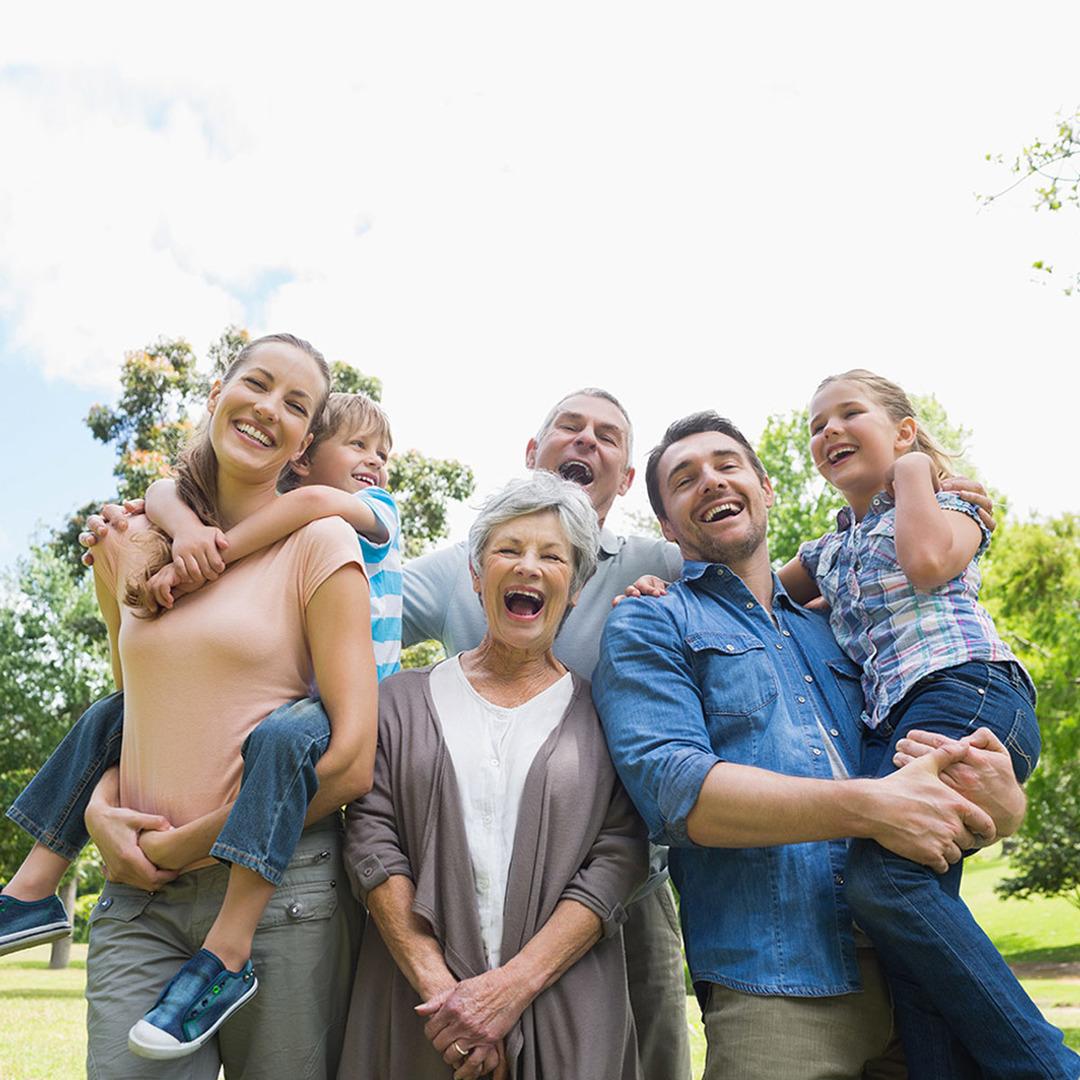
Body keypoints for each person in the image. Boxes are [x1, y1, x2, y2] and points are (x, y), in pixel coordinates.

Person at [593, 410, 1033, 1080]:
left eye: (727, 464)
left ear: (766, 488)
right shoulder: (652, 621)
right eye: (684, 479)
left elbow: (922, 777)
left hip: (918, 978)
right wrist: (870, 806)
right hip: (776, 989)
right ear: (668, 526)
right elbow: (678, 791)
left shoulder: (851, 634)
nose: (711, 481)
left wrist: (1004, 812)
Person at [0, 393, 400, 994]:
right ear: (301, 458)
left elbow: (317, 503)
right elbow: (163, 492)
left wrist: (206, 557)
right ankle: (32, 885)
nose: (376, 461)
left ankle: (228, 947)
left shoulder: (360, 513)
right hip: (287, 696)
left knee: (281, 740)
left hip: (335, 705)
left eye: (383, 452)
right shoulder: (268, 521)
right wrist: (183, 529)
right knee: (110, 715)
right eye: (359, 446)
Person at [66, 333, 373, 1077]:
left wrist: (187, 843)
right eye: (257, 384)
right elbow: (134, 714)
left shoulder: (321, 543)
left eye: (295, 405)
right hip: (140, 896)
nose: (269, 409)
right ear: (216, 394)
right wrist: (99, 812)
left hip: (280, 896)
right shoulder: (137, 544)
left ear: (303, 445)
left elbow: (351, 763)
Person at [771, 369, 1078, 1080]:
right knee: (907, 924)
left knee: (883, 883)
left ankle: (1051, 1068)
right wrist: (660, 584)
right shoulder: (826, 552)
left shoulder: (952, 507)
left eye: (850, 414)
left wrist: (912, 472)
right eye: (816, 424)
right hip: (897, 720)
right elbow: (754, 602)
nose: (827, 432)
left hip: (967, 690)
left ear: (905, 431)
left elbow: (928, 561)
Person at [403, 389, 691, 1080]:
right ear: (533, 454)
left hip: (624, 871)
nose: (587, 439)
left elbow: (757, 583)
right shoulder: (461, 566)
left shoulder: (662, 564)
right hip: (476, 870)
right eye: (570, 426)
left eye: (607, 435)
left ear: (625, 479)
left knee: (649, 1050)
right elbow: (344, 602)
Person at [338, 472, 649, 1079]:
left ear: (576, 587)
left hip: (564, 1011)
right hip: (416, 1011)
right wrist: (449, 1001)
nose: (529, 566)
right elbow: (370, 840)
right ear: (477, 576)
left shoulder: (608, 714)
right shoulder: (398, 702)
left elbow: (620, 858)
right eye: (508, 550)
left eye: (551, 556)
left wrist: (507, 992)